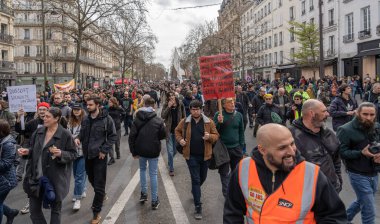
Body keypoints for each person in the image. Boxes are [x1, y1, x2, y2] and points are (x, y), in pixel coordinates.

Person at [223, 123, 348, 223]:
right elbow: (232, 212)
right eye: (282, 148)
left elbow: (334, 217)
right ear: (262, 150)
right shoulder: (244, 168)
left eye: (292, 144)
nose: (291, 152)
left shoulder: (311, 174)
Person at [18, 107, 77, 224]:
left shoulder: (65, 134)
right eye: (44, 116)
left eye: (48, 116)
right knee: (34, 212)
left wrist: (61, 153)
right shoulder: (38, 132)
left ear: (56, 119)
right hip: (36, 178)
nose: (44, 118)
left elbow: (73, 154)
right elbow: (33, 149)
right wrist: (27, 152)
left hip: (55, 179)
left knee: (55, 211)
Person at [74, 95, 117, 224]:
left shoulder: (106, 119)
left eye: (91, 105)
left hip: (100, 157)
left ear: (97, 105)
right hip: (87, 155)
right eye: (87, 105)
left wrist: (104, 150)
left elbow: (112, 136)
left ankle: (96, 213)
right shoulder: (86, 119)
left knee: (99, 185)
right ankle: (102, 194)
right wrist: (78, 138)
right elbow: (82, 132)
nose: (88, 107)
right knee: (92, 180)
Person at [337, 102, 380, 224]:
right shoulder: (345, 129)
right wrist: (361, 153)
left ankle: (342, 220)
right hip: (357, 174)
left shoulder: (376, 126)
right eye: (365, 114)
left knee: (363, 200)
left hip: (374, 172)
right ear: (357, 113)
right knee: (369, 209)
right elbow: (341, 153)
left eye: (372, 114)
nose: (368, 117)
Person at [175, 100, 219, 220]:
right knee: (195, 179)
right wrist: (180, 140)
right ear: (190, 110)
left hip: (205, 156)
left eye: (198, 109)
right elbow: (177, 131)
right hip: (191, 156)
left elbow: (216, 135)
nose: (196, 111)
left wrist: (209, 136)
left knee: (202, 177)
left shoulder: (208, 122)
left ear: (201, 109)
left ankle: (195, 191)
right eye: (193, 109)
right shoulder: (185, 122)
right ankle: (198, 206)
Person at [290, 99, 343, 192]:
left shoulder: (328, 133)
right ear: (312, 113)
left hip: (332, 190)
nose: (328, 114)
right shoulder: (290, 137)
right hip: (308, 195)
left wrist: (338, 180)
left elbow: (336, 159)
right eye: (324, 111)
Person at [128, 97, 166, 210]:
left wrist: (133, 152)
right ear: (153, 106)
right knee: (153, 174)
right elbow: (162, 136)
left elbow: (132, 137)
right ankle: (154, 200)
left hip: (141, 150)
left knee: (143, 170)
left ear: (144, 104)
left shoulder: (137, 119)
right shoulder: (158, 120)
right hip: (153, 150)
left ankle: (143, 193)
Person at [213, 97, 245, 198]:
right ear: (223, 105)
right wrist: (219, 122)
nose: (232, 103)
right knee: (224, 173)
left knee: (236, 172)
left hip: (236, 149)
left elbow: (241, 132)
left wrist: (242, 148)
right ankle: (227, 196)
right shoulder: (218, 115)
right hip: (223, 149)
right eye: (229, 102)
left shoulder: (239, 115)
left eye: (233, 101)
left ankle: (234, 190)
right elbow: (214, 131)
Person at [68, 103, 87, 211]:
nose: (76, 111)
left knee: (79, 176)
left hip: (83, 151)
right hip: (72, 152)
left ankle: (77, 198)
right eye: (74, 109)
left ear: (81, 110)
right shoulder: (70, 121)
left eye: (78, 109)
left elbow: (85, 134)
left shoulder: (85, 121)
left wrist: (75, 138)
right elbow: (67, 133)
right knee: (76, 175)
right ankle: (82, 189)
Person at [161, 92, 185, 176]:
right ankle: (171, 169)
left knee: (175, 151)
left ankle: (169, 161)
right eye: (170, 96)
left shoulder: (180, 104)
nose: (171, 97)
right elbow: (163, 116)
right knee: (170, 152)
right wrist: (169, 106)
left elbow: (184, 117)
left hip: (178, 132)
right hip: (169, 132)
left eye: (172, 96)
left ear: (175, 96)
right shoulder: (166, 105)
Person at [0, 119, 19, 224]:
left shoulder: (8, 144)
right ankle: (10, 213)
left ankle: (10, 213)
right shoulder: (2, 140)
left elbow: (6, 164)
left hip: (6, 180)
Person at [107, 97, 126, 165]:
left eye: (110, 102)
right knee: (109, 143)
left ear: (113, 102)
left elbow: (124, 114)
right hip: (109, 128)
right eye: (109, 102)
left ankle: (118, 153)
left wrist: (120, 120)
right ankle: (112, 158)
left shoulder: (119, 108)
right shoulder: (108, 109)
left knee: (117, 143)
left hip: (117, 128)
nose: (109, 103)